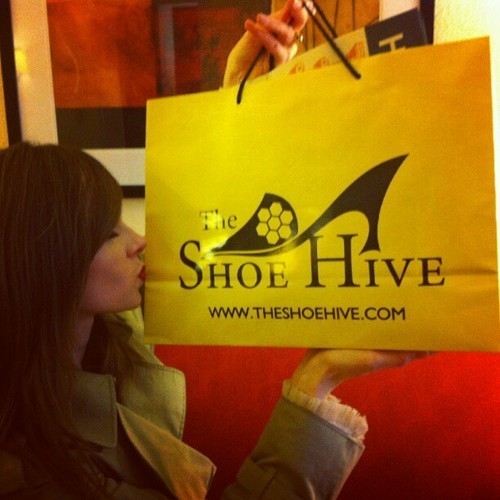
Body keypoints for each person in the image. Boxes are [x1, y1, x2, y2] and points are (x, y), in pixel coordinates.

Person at [0, 3, 426, 499]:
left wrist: (238, 104)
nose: (139, 240)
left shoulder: (104, 337)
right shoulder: (30, 475)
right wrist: (316, 378)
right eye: (109, 234)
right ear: (46, 264)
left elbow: (211, 237)